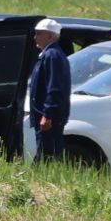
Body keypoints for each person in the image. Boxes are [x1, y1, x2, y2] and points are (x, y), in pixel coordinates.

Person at [27, 16, 72, 161]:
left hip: (49, 120)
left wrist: (48, 114)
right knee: (44, 156)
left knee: (47, 157)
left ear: (50, 36)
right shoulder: (48, 54)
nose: (35, 37)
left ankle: (44, 181)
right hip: (45, 118)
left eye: (39, 34)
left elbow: (55, 88)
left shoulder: (53, 56)